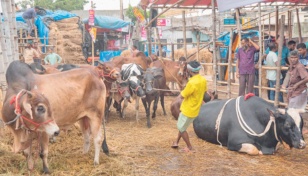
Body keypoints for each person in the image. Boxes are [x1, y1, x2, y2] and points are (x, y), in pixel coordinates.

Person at [171, 60, 207, 152]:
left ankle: (189, 147)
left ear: (190, 71)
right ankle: (176, 142)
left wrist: (177, 97)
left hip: (188, 109)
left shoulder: (191, 83)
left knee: (181, 127)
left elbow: (183, 95)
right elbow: (203, 92)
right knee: (183, 125)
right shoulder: (203, 80)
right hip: (196, 109)